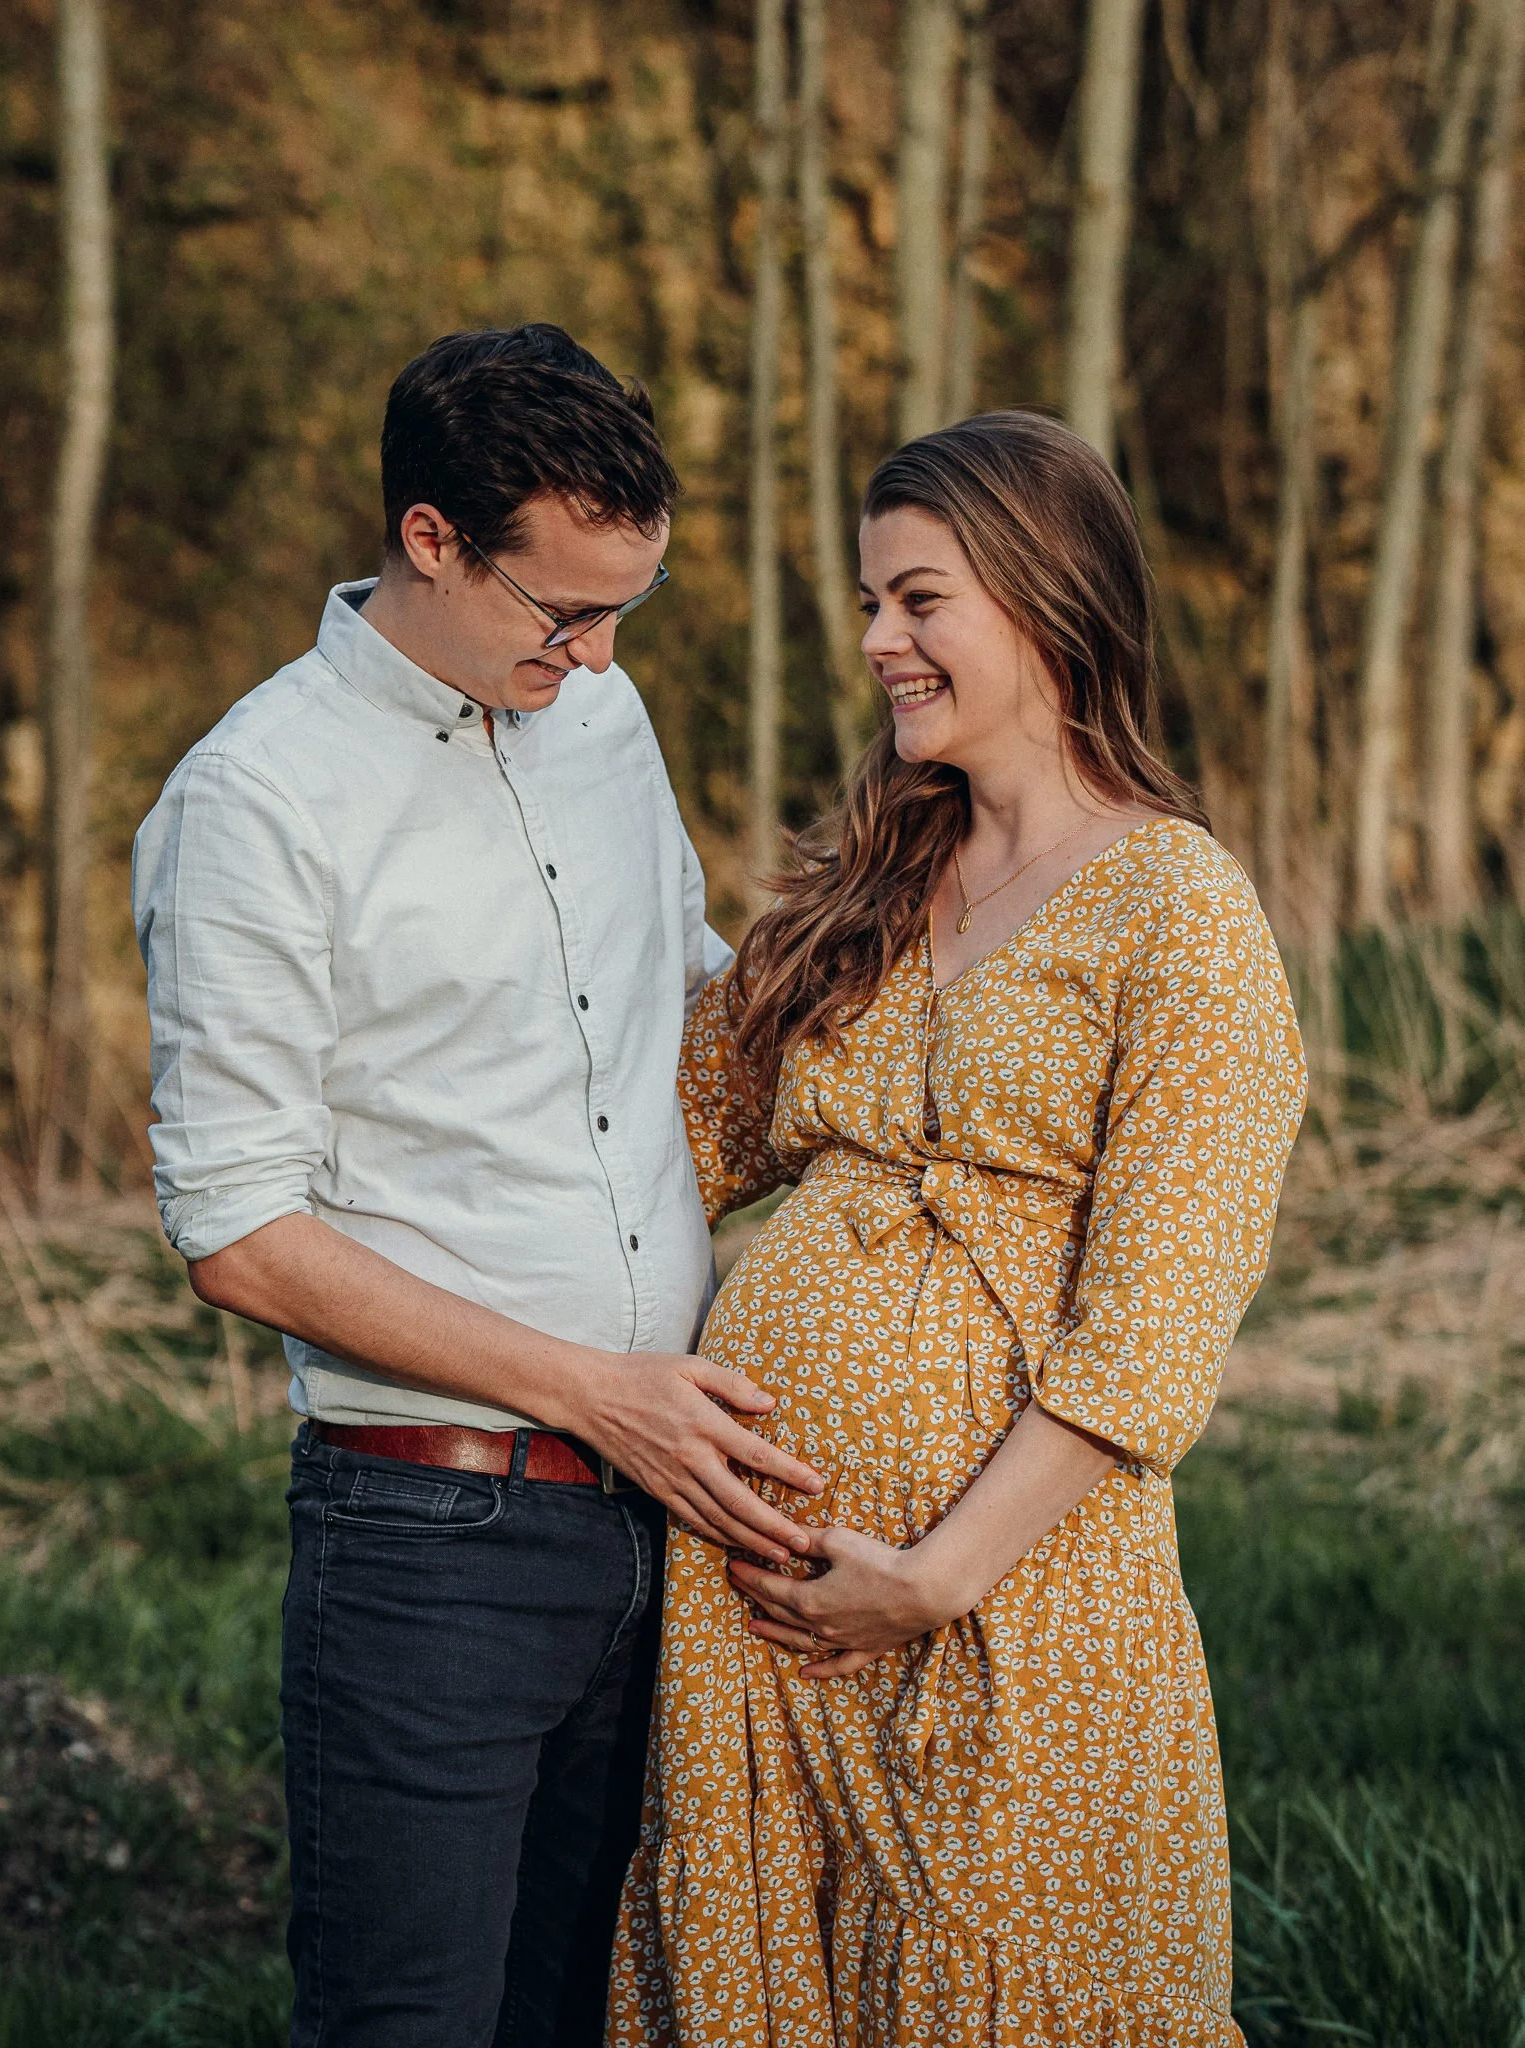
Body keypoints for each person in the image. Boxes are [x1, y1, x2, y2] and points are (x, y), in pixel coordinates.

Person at [130, 323, 824, 2048]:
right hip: (428, 1538)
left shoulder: (601, 713)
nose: (594, 659)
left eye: (624, 615)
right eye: (561, 616)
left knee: (592, 2013)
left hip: (657, 1523)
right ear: (427, 540)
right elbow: (236, 1233)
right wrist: (602, 1392)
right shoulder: (257, 800)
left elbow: (690, 1002)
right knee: (411, 2025)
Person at [608, 410, 1307, 2046]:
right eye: (870, 602)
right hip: (757, 1603)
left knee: (999, 1986)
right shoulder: (864, 885)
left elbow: (1150, 1330)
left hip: (1014, 1608)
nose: (874, 643)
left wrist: (924, 1582)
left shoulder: (1179, 910)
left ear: (1043, 596)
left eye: (917, 601)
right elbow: (652, 1147)